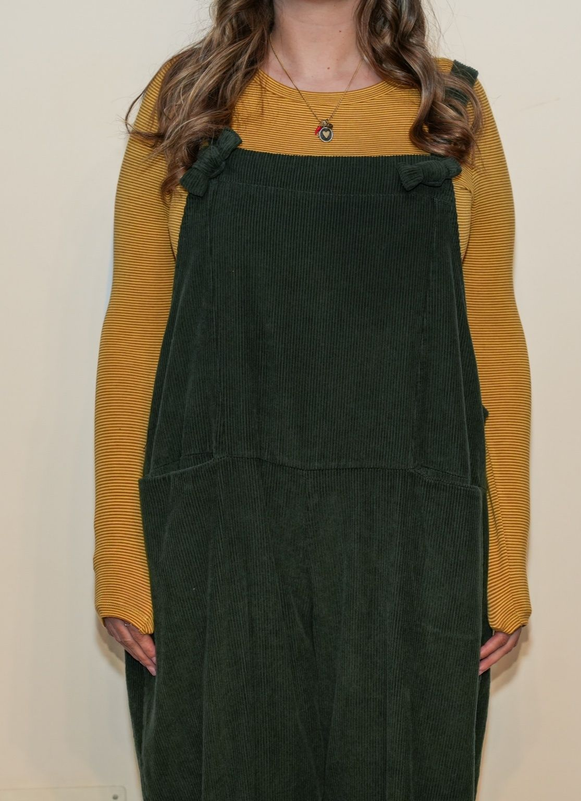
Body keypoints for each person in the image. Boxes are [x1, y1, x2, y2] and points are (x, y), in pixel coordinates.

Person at [93, 0, 532, 797]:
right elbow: (136, 332)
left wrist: (503, 567)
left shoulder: (451, 111)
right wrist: (124, 563)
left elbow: (493, 340)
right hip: (222, 541)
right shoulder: (184, 98)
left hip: (410, 543)